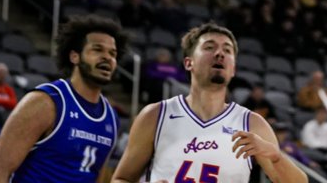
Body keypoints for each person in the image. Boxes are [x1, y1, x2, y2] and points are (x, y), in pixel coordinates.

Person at [111, 22, 306, 183]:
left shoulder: (252, 124)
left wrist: (275, 157)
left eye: (227, 50)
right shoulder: (155, 115)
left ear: (233, 69)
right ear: (189, 63)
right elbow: (121, 179)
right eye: (209, 47)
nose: (220, 53)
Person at [0, 15, 124, 183]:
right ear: (75, 57)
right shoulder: (45, 102)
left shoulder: (111, 118)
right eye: (97, 49)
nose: (107, 57)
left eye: (112, 53)